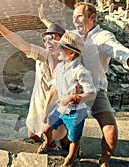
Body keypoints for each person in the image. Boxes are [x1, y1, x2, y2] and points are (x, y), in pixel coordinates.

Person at [39, 2, 129, 167]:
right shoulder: (74, 35)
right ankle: (66, 149)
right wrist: (44, 19)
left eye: (79, 16)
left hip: (94, 91)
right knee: (65, 137)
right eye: (74, 16)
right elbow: (60, 32)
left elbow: (121, 52)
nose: (75, 20)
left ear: (92, 17)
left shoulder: (103, 37)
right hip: (70, 91)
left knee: (111, 132)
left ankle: (104, 159)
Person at [0, 8, 69, 144]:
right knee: (33, 133)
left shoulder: (68, 61)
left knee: (61, 135)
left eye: (51, 38)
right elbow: (21, 43)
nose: (47, 41)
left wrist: (47, 111)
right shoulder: (43, 54)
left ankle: (66, 148)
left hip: (58, 103)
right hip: (40, 100)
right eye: (45, 38)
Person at [37, 31, 96, 167]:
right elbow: (54, 87)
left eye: (62, 48)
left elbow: (91, 94)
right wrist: (46, 110)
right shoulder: (59, 67)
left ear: (72, 53)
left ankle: (71, 158)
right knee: (46, 129)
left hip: (76, 112)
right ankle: (49, 143)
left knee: (74, 138)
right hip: (61, 109)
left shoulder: (81, 71)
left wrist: (73, 97)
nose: (58, 49)